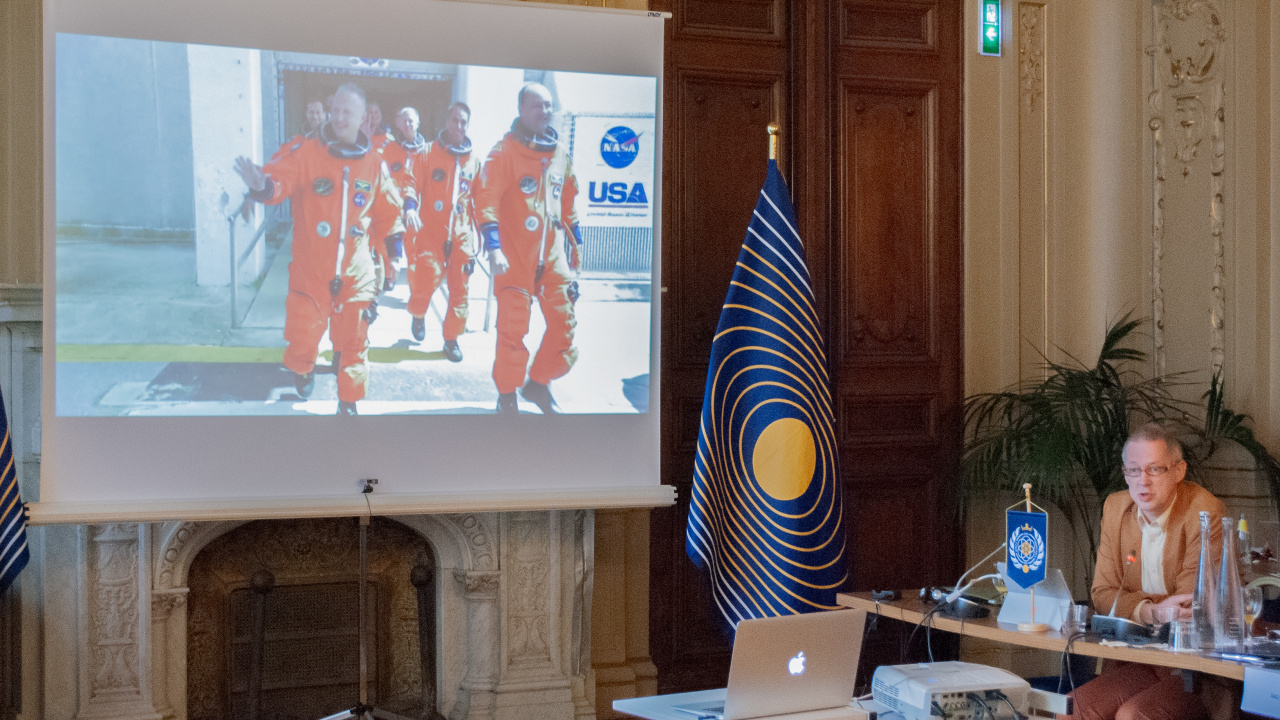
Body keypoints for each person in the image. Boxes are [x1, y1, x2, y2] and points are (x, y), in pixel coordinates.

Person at [234, 82, 404, 416]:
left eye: (348, 112)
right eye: (335, 110)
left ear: (362, 117)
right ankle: (304, 368)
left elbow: (389, 213)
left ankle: (349, 403)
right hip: (312, 273)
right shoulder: (307, 153)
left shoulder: (373, 163)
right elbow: (278, 182)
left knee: (354, 342)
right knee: (303, 337)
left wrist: (394, 256)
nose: (340, 118)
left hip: (356, 273)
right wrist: (260, 187)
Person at [1061, 422, 1225, 720]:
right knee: (1070, 710)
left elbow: (1189, 606)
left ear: (1179, 471)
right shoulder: (1116, 507)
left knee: (1133, 715)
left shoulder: (1204, 511)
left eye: (1155, 469)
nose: (1142, 482)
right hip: (1136, 660)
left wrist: (1135, 606)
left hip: (1192, 669)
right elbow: (1101, 594)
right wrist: (1152, 611)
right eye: (1133, 471)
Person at [473, 83, 583, 414]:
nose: (545, 111)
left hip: (551, 258)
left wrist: (577, 251)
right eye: (537, 106)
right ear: (521, 110)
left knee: (564, 325)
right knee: (512, 330)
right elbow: (486, 200)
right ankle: (507, 395)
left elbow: (569, 204)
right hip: (514, 259)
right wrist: (494, 249)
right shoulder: (503, 153)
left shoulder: (560, 154)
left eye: (548, 106)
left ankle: (537, 383)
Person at [399, 102, 479, 361]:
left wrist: (488, 238)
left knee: (460, 290)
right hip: (431, 231)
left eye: (463, 122)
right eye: (454, 120)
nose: (458, 126)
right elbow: (411, 182)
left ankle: (452, 339)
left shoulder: (473, 162)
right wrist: (410, 207)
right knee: (424, 280)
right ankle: (419, 314)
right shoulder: (427, 153)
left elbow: (481, 200)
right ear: (446, 122)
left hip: (461, 235)